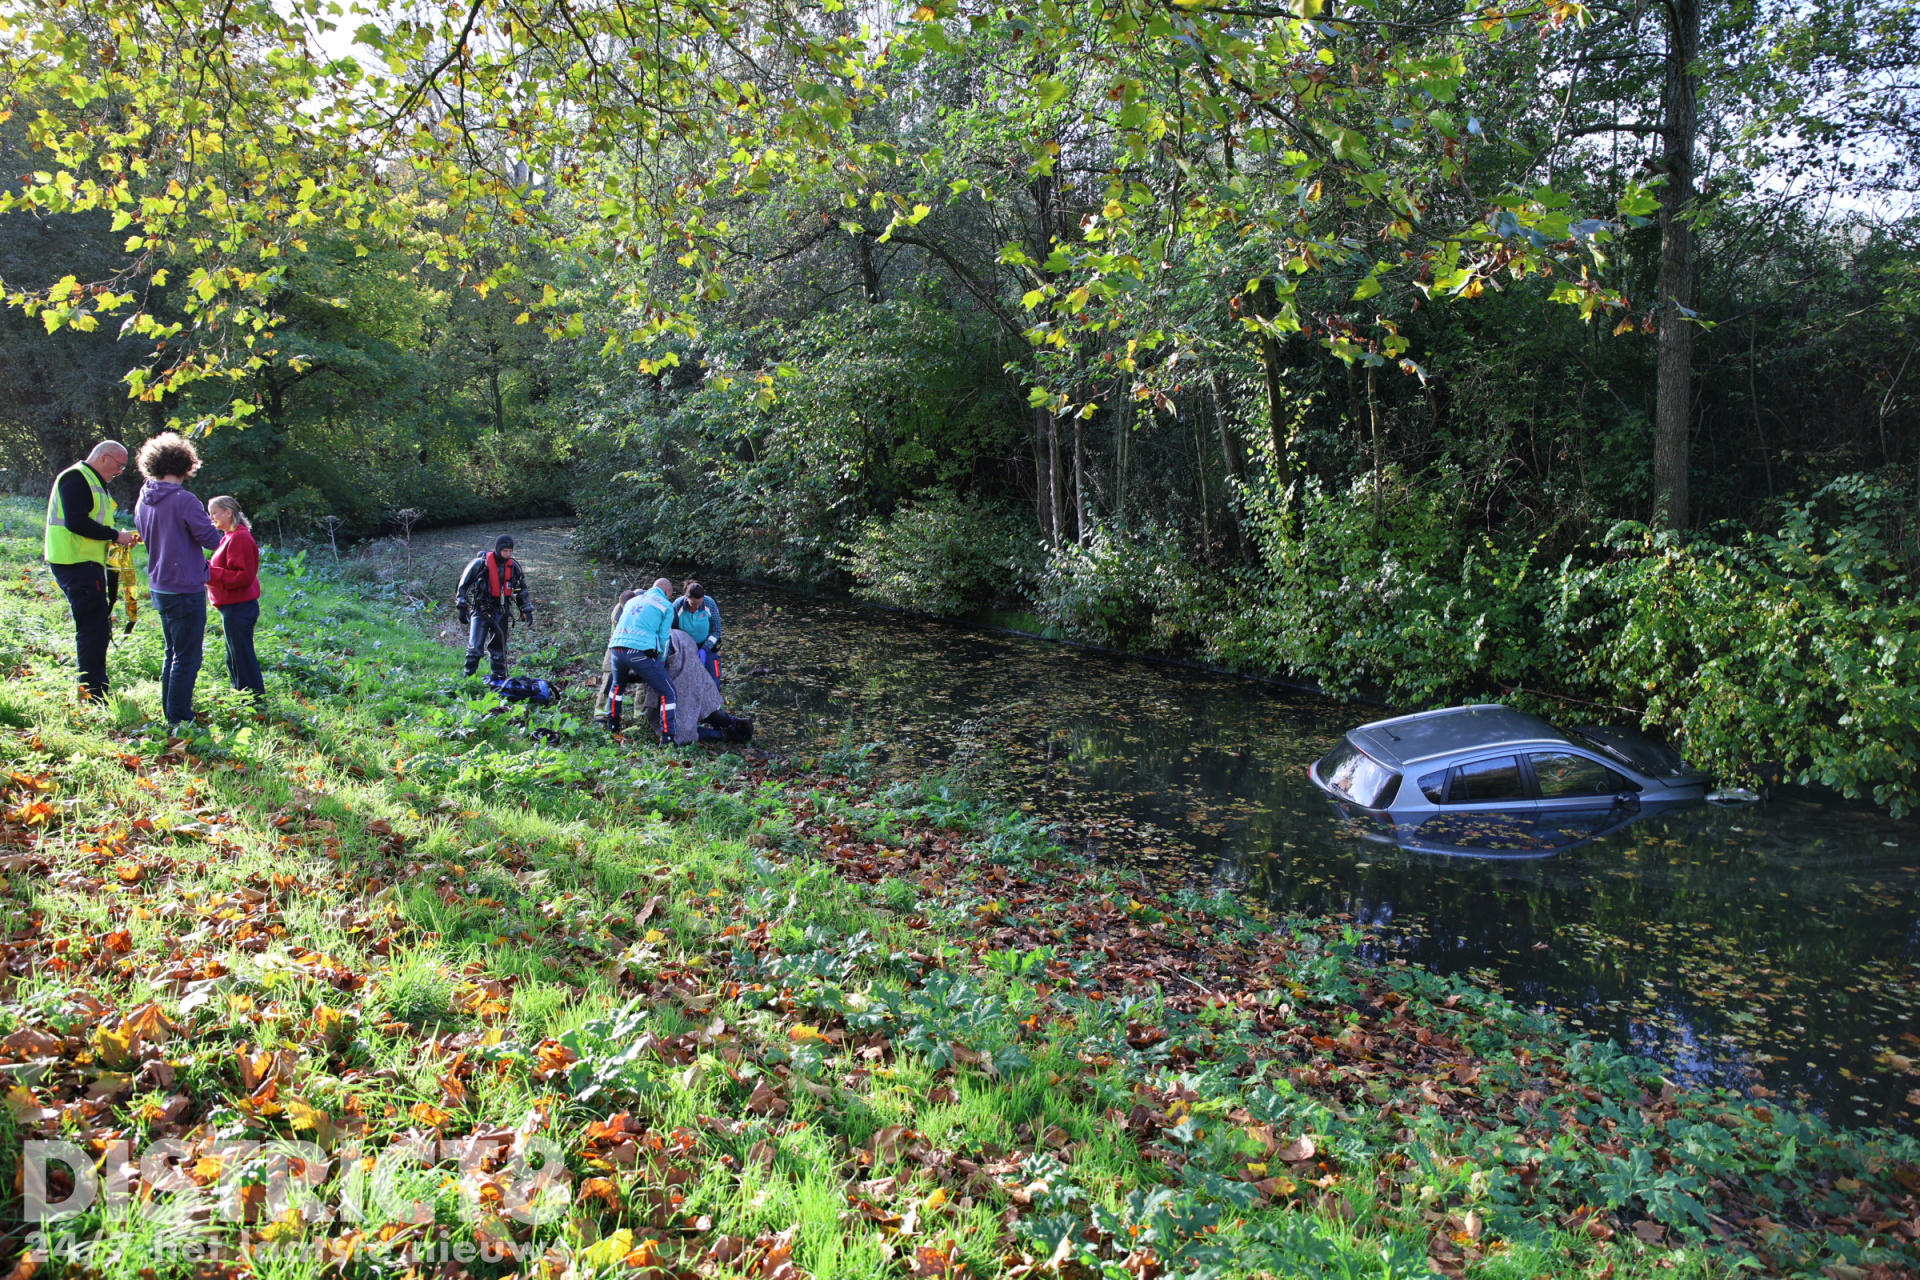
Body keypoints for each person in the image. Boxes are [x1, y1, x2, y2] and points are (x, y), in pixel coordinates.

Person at [132, 432, 223, 728]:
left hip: (159, 582)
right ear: (186, 464)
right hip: (184, 586)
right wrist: (215, 525)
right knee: (187, 657)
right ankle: (180, 718)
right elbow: (210, 540)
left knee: (172, 652)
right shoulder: (184, 500)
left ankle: (172, 712)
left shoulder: (144, 497)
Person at [43, 440, 141, 702]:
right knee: (93, 628)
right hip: (75, 562)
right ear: (104, 458)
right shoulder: (76, 478)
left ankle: (93, 689)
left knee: (96, 625)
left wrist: (117, 537)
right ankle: (93, 693)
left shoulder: (92, 481)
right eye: (119, 465)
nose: (120, 471)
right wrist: (114, 535)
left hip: (84, 562)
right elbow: (77, 522)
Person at [206, 496, 266, 699]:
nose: (211, 517)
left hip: (239, 606)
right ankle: (240, 698)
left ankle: (253, 701)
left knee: (242, 657)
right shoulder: (229, 536)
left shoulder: (240, 537)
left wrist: (207, 572)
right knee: (234, 657)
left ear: (228, 512)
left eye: (214, 512)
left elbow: (243, 576)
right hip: (231, 607)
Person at [606, 577, 677, 741]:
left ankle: (613, 724)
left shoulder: (634, 599)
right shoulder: (666, 605)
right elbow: (664, 637)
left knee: (618, 686)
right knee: (668, 692)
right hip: (640, 652)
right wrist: (662, 659)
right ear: (667, 591)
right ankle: (668, 737)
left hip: (616, 648)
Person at [455, 535, 534, 678]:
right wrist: (462, 608)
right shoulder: (479, 564)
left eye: (510, 551)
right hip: (481, 610)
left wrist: (526, 609)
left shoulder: (514, 567)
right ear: (498, 549)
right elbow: (463, 586)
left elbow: (521, 590)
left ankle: (499, 679)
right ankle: (467, 678)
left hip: (501, 611)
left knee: (499, 649)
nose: (508, 554)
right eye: (505, 551)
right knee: (475, 649)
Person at [671, 580, 723, 683]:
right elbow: (672, 630)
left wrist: (705, 648)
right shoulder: (677, 606)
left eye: (700, 603)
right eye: (694, 604)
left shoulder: (709, 603)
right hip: (684, 647)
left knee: (714, 678)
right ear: (687, 597)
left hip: (707, 645)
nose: (697, 607)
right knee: (687, 680)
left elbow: (716, 629)